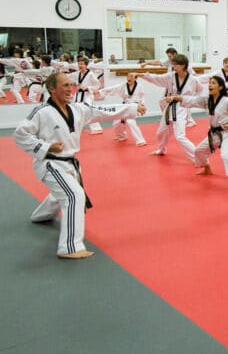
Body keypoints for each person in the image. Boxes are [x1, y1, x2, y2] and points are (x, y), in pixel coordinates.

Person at [13, 72, 146, 258]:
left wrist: (131, 108)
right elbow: (20, 135)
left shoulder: (78, 109)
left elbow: (103, 111)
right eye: (65, 85)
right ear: (52, 89)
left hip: (70, 163)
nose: (70, 89)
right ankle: (69, 247)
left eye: (70, 85)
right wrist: (46, 146)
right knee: (74, 195)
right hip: (50, 163)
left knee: (63, 192)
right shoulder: (42, 112)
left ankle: (40, 216)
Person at [178, 75, 228, 193]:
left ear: (220, 87)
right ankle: (207, 168)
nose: (210, 85)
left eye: (214, 83)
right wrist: (177, 97)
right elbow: (192, 100)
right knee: (198, 151)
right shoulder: (207, 99)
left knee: (225, 155)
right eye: (210, 83)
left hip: (226, 133)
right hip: (214, 133)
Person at [139, 54, 201, 159]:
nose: (174, 67)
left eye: (176, 65)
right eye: (173, 65)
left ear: (183, 66)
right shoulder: (171, 76)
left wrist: (188, 100)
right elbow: (156, 78)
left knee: (180, 136)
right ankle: (161, 149)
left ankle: (198, 157)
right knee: (161, 131)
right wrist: (141, 75)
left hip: (182, 107)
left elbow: (200, 92)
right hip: (170, 106)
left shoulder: (193, 80)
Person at [97, 72, 147, 146]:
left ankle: (140, 140)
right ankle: (121, 136)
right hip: (124, 106)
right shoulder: (123, 85)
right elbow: (113, 89)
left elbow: (142, 96)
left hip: (134, 106)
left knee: (131, 122)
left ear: (135, 78)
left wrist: (142, 104)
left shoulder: (139, 86)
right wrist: (100, 92)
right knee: (116, 123)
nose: (128, 78)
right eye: (127, 76)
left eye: (131, 76)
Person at [70, 57, 103, 134]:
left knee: (88, 111)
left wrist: (88, 88)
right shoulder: (77, 73)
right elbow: (69, 77)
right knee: (75, 110)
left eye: (82, 64)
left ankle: (97, 128)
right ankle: (76, 128)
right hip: (78, 95)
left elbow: (98, 85)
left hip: (87, 95)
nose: (80, 65)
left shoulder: (91, 74)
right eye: (79, 64)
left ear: (86, 65)